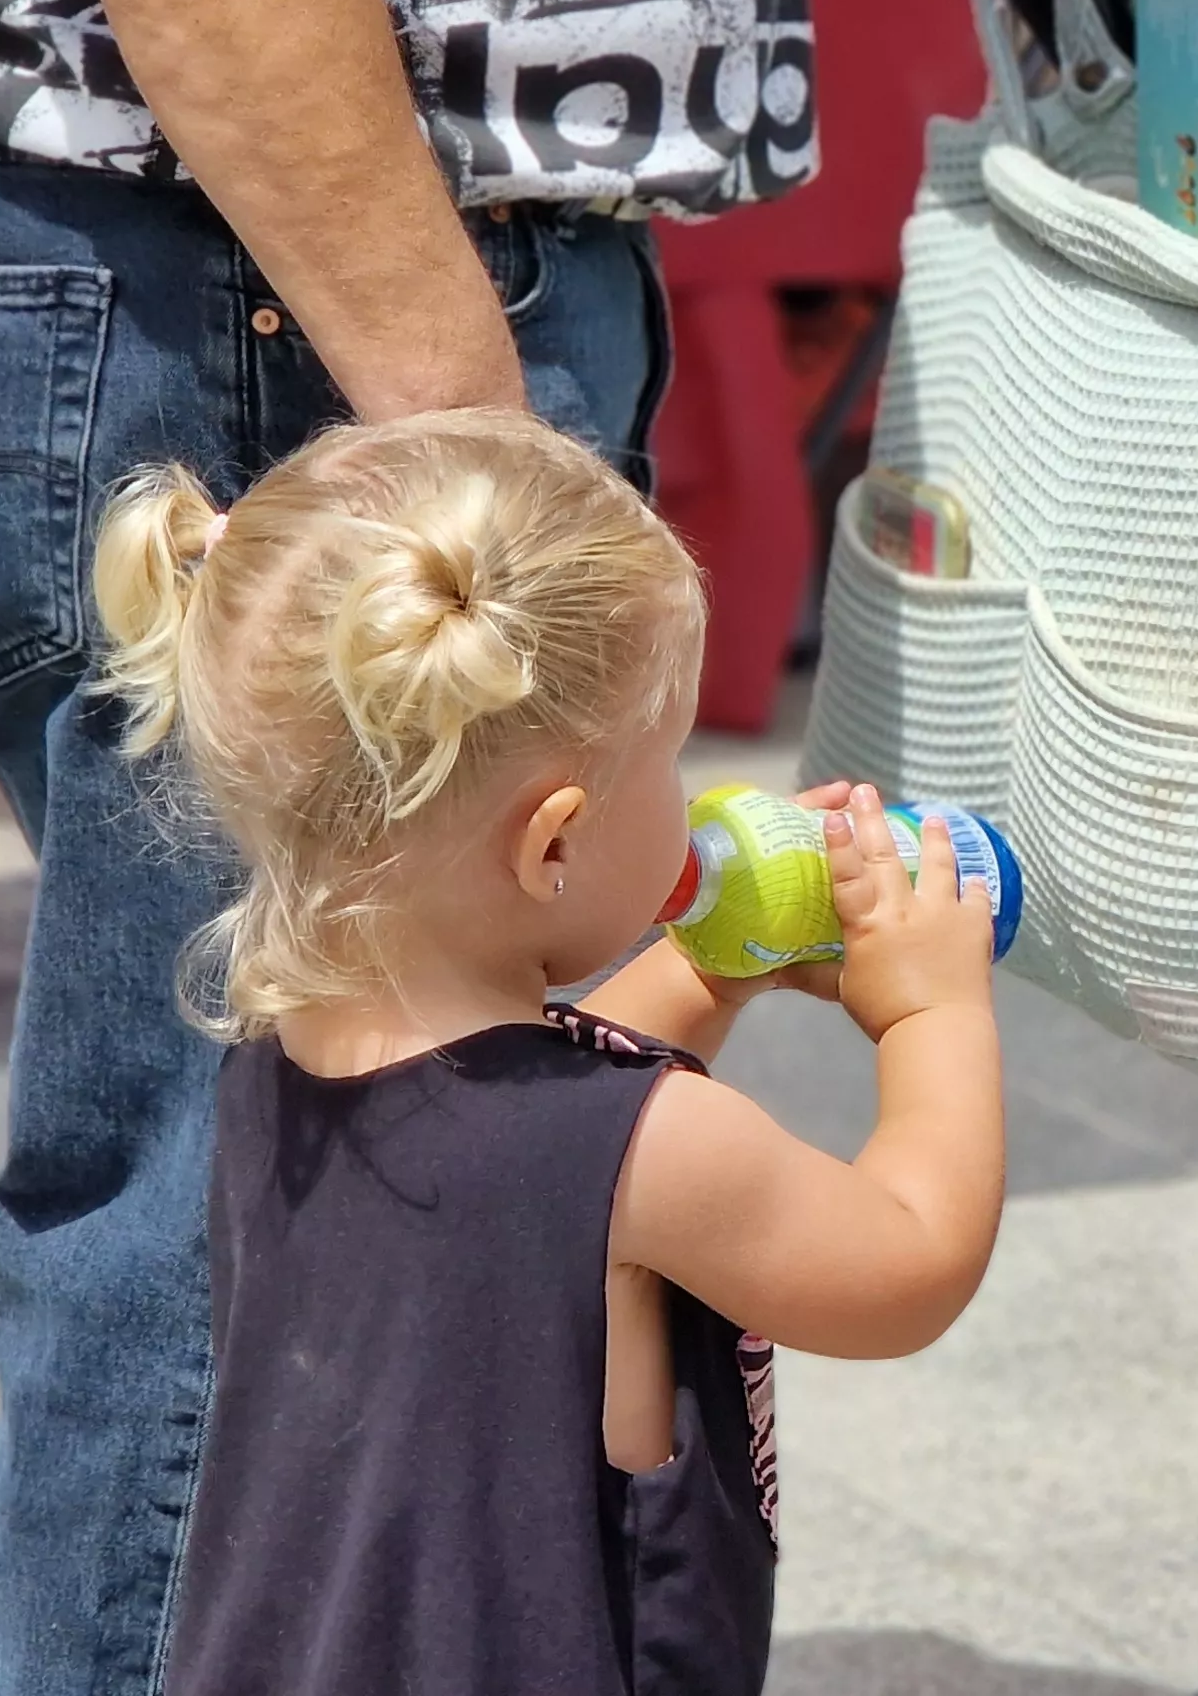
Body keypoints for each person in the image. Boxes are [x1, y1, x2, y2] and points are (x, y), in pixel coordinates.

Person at [0, 0, 814, 1686]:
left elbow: (497, 1122)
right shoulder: (427, 483)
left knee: (255, 1177)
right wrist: (468, 448)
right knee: (194, 1234)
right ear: (562, 822)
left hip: (307, 278)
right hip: (285, 282)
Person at [86, 410, 1006, 1692]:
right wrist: (932, 1012)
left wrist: (704, 966)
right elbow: (907, 1262)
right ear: (555, 842)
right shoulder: (656, 1147)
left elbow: (515, 1129)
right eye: (669, 760)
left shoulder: (283, 1059)